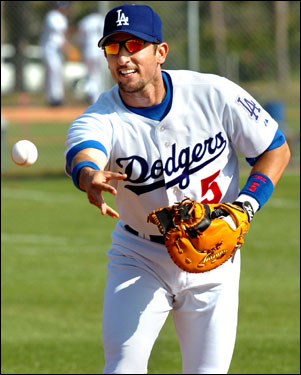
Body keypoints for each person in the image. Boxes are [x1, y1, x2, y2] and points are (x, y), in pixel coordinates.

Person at [64, 4, 291, 374]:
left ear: (161, 52)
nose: (123, 57)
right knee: (122, 367)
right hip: (139, 255)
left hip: (214, 253)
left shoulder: (213, 93)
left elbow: (274, 149)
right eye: (113, 48)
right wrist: (89, 174)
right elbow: (85, 150)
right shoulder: (101, 116)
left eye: (133, 44)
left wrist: (246, 207)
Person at [40, 1, 71, 106]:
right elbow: (57, 35)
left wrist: (68, 49)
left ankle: (56, 98)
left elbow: (62, 38)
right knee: (53, 71)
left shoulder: (63, 18)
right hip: (49, 49)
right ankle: (54, 98)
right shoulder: (52, 16)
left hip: (58, 51)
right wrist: (68, 48)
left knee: (56, 72)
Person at [77, 8, 106, 104]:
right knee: (99, 74)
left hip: (88, 50)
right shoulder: (102, 20)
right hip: (100, 50)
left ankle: (91, 93)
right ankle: (97, 96)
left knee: (90, 75)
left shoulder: (85, 21)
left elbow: (81, 38)